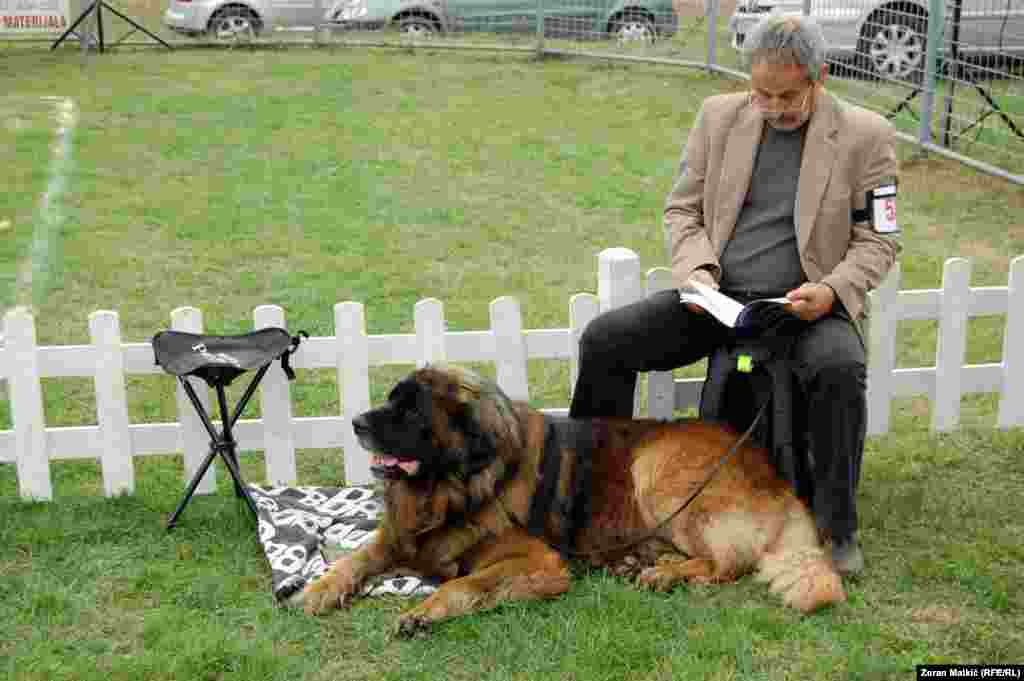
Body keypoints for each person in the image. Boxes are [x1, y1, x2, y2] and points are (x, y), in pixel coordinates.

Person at [568, 14, 900, 577]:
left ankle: (836, 528)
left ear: (819, 77)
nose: (772, 107)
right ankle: (588, 499)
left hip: (807, 306)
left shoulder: (868, 135)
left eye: (787, 96)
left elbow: (879, 239)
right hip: (718, 299)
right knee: (606, 340)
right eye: (761, 93)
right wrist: (698, 271)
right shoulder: (717, 117)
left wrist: (831, 290)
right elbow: (683, 210)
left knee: (841, 369)